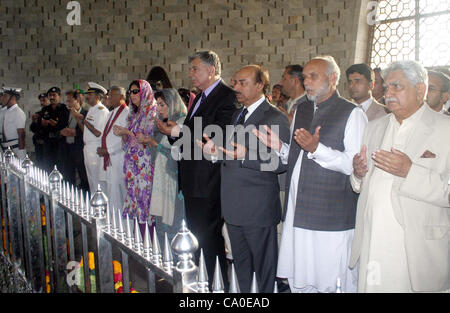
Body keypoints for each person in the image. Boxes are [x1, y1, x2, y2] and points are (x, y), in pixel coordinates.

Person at [254, 55, 368, 293]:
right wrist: (280, 148)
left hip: (331, 216)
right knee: (301, 280)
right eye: (305, 77)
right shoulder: (302, 109)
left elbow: (352, 166)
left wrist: (317, 149)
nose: (307, 82)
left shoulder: (351, 113)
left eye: (313, 76)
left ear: (333, 79)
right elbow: (297, 160)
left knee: (330, 280)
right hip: (298, 213)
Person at [350, 60, 450, 293]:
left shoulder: (445, 129)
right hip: (373, 239)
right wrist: (357, 174)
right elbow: (359, 186)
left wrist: (410, 172)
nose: (388, 94)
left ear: (420, 90)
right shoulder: (374, 127)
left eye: (397, 87)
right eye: (386, 88)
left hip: (416, 246)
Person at [199, 65, 290, 292]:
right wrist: (214, 153)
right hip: (232, 205)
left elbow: (281, 163)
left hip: (257, 207)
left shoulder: (275, 117)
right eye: (235, 82)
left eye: (243, 82)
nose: (236, 87)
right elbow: (231, 154)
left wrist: (246, 157)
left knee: (263, 271)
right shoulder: (237, 114)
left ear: (260, 85)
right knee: (241, 268)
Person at [156, 50, 237, 288]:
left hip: (208, 180)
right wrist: (174, 131)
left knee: (209, 238)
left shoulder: (226, 96)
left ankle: (215, 285)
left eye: (195, 69)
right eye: (190, 69)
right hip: (192, 179)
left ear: (211, 71)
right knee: (198, 236)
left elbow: (215, 135)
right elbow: (190, 134)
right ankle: (202, 281)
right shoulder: (200, 97)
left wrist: (177, 132)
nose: (190, 74)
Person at [113, 80, 158, 236]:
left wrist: (127, 132)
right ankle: (138, 236)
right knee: (135, 199)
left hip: (145, 165)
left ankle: (150, 238)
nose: (132, 95)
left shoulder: (152, 112)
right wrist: (123, 135)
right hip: (133, 165)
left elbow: (146, 139)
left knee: (145, 200)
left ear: (144, 91)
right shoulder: (133, 114)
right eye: (130, 92)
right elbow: (129, 143)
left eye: (135, 91)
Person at [143, 88, 187, 242]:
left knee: (174, 224)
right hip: (160, 178)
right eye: (157, 105)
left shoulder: (182, 123)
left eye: (162, 105)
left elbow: (181, 156)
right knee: (161, 223)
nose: (159, 109)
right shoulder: (162, 125)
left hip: (175, 182)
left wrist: (155, 144)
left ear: (173, 103)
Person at [97, 86, 129, 215]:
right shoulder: (111, 113)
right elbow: (107, 135)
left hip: (119, 157)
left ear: (121, 97)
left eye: (111, 95)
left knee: (119, 193)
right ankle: (113, 220)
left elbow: (124, 138)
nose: (108, 98)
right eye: (108, 95)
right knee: (111, 191)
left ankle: (124, 226)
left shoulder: (127, 112)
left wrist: (108, 150)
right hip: (109, 158)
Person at [59, 90, 89, 191]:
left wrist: (76, 132)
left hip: (79, 149)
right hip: (67, 148)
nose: (68, 104)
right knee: (68, 175)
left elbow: (88, 131)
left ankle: (85, 195)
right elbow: (59, 126)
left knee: (83, 175)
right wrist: (62, 131)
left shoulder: (85, 113)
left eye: (70, 101)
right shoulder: (64, 113)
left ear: (77, 100)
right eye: (67, 101)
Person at [82, 82, 109, 194]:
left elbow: (98, 133)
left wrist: (85, 122)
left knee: (98, 180)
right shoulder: (92, 109)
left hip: (96, 148)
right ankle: (95, 205)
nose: (87, 97)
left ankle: (102, 207)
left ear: (98, 96)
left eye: (90, 94)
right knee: (91, 179)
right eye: (87, 94)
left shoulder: (101, 110)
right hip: (88, 147)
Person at [40, 87, 70, 172]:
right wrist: (42, 123)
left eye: (54, 95)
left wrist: (56, 125)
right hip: (48, 142)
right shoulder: (45, 109)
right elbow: (40, 125)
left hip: (60, 142)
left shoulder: (64, 109)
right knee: (48, 165)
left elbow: (66, 124)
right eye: (50, 95)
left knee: (62, 166)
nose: (52, 97)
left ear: (59, 96)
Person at [0, 87, 26, 159]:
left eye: (5, 96)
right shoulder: (6, 111)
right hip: (4, 147)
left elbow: (21, 134)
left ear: (13, 97)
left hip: (15, 148)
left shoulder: (18, 112)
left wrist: (21, 152)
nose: (2, 98)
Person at [30, 93, 49, 168]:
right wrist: (34, 122)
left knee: (48, 165)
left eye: (44, 100)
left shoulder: (55, 113)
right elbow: (32, 128)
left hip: (49, 145)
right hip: (39, 144)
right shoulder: (38, 114)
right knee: (40, 165)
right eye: (41, 101)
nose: (42, 103)